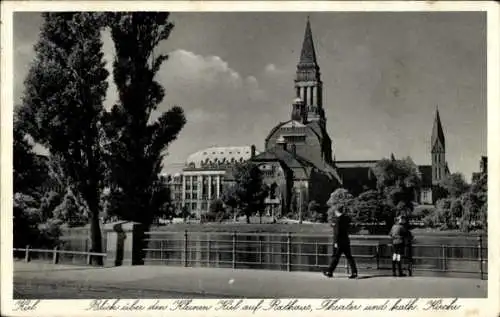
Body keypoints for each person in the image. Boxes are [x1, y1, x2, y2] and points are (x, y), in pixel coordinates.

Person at [323, 205, 358, 279]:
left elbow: (337, 232)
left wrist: (335, 242)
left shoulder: (337, 220)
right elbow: (346, 227)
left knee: (335, 257)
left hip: (339, 242)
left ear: (336, 211)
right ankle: (354, 272)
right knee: (349, 257)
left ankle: (329, 272)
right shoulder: (346, 218)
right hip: (346, 240)